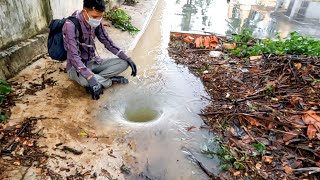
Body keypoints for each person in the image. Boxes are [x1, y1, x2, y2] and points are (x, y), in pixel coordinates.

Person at [62, 0, 137, 100]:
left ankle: (99, 80)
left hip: (92, 62)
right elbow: (74, 56)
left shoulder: (96, 23)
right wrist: (89, 78)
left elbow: (108, 42)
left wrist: (127, 58)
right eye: (94, 17)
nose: (98, 20)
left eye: (100, 16)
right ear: (84, 12)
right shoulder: (70, 25)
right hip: (76, 68)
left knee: (124, 63)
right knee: (86, 81)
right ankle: (109, 81)